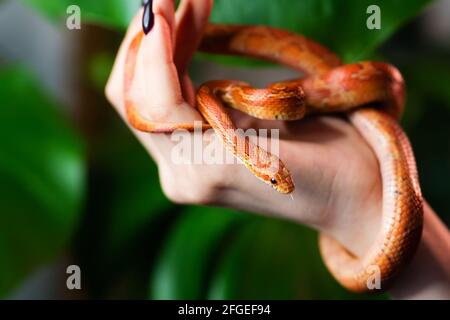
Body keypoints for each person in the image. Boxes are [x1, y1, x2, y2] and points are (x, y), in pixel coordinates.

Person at [105, 0, 450, 299]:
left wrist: (355, 200)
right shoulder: (229, 110)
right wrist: (355, 201)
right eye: (275, 179)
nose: (283, 182)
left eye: (275, 177)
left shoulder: (237, 112)